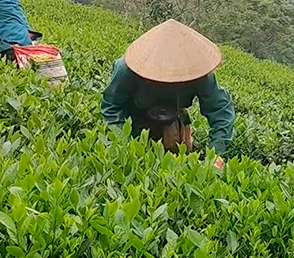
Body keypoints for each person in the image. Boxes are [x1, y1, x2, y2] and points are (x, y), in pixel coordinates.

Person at [101, 19, 235, 164]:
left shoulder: (198, 73)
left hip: (173, 120)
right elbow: (112, 107)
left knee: (176, 164)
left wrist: (216, 153)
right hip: (134, 118)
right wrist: (123, 144)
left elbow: (220, 109)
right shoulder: (126, 70)